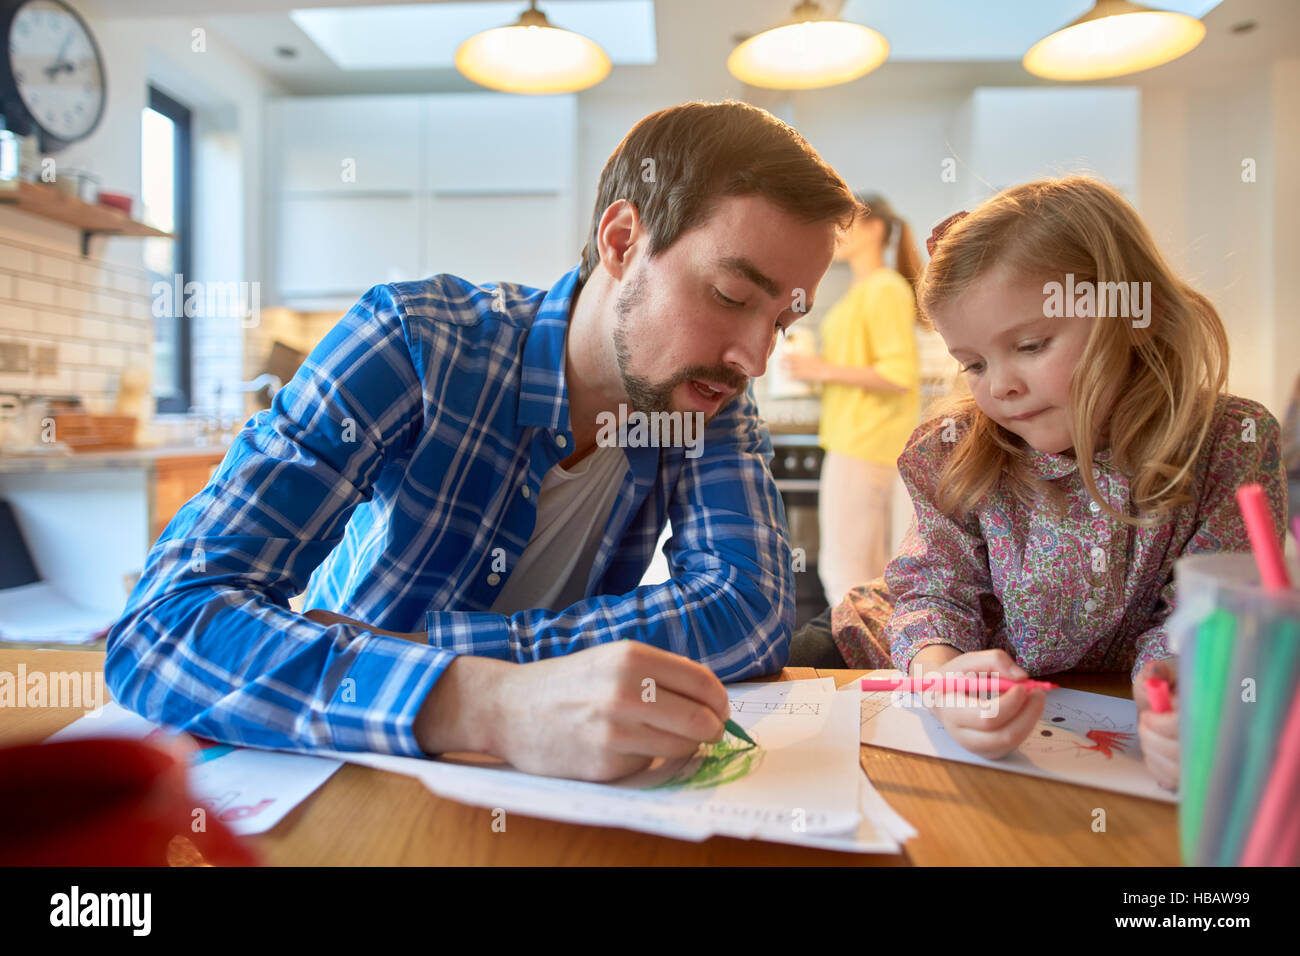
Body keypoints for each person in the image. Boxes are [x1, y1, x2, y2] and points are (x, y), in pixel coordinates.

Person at [105, 101, 859, 782]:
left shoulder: (707, 397)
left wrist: (421, 648)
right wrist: (487, 702)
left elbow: (750, 614)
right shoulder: (412, 342)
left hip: (539, 782)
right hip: (348, 759)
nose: (754, 357)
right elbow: (164, 623)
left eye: (783, 321)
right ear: (623, 239)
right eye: (730, 297)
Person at [825, 177, 1287, 790]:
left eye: (1031, 345)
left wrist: (1176, 698)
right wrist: (944, 678)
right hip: (904, 656)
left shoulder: (1232, 443)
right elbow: (935, 593)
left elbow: (1204, 623)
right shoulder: (953, 453)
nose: (999, 386)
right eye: (974, 363)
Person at [782, 194, 921, 605]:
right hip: (855, 439)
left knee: (845, 573)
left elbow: (899, 374)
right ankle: (878, 662)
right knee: (866, 574)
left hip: (867, 443)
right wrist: (817, 372)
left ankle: (859, 664)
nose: (837, 235)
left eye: (846, 224)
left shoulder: (885, 289)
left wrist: (819, 370)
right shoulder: (862, 292)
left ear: (874, 228)